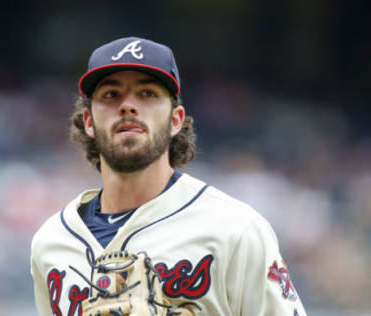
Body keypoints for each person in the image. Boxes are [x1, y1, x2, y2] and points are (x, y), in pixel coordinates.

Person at [30, 37, 307, 316]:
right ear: (88, 121)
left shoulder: (236, 229)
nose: (128, 106)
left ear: (176, 120)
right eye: (111, 95)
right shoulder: (51, 242)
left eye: (147, 93)